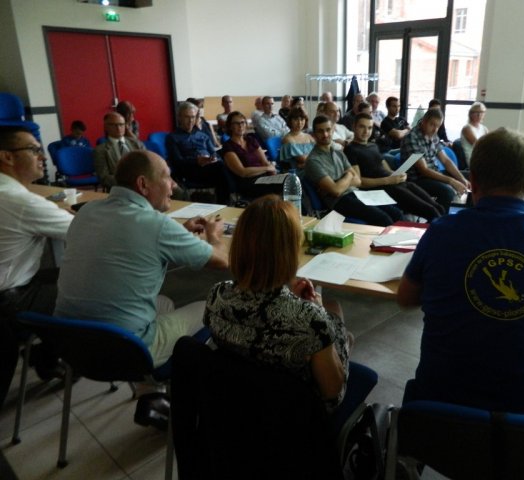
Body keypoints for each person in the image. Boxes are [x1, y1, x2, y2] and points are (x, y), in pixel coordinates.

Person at [397, 128, 524, 416]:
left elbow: (405, 298)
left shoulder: (442, 232)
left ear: (473, 181)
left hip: (439, 412)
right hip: (523, 418)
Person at [55, 150, 228, 368]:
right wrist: (214, 235)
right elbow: (222, 261)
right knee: (212, 306)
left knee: (164, 303)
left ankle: (151, 378)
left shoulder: (86, 211)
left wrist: (180, 232)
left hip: (69, 341)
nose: (174, 184)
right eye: (167, 177)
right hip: (124, 350)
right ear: (143, 184)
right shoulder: (157, 225)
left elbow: (127, 240)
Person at [204, 194, 354, 412]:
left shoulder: (216, 295)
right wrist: (322, 317)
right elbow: (333, 393)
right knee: (339, 323)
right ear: (290, 252)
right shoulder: (310, 320)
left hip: (235, 406)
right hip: (294, 420)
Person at [0, 126, 74, 409]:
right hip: (10, 300)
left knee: (68, 277)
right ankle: (59, 353)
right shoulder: (19, 201)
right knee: (91, 287)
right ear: (7, 156)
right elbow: (85, 232)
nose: (42, 156)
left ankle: (45, 354)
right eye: (33, 150)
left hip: (12, 286)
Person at [305, 115, 403, 227]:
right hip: (339, 201)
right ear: (314, 134)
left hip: (357, 193)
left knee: (397, 213)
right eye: (320, 131)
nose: (325, 134)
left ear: (332, 130)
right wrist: (348, 175)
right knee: (384, 219)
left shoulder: (338, 152)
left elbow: (358, 181)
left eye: (328, 130)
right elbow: (336, 191)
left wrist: (340, 182)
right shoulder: (313, 160)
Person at [345, 114, 444, 222]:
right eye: (362, 127)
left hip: (393, 183)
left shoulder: (373, 145)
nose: (366, 131)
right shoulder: (351, 150)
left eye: (369, 128)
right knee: (432, 212)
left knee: (439, 208)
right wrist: (389, 180)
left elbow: (384, 166)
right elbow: (360, 182)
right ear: (354, 127)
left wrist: (397, 174)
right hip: (379, 188)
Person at [400, 107, 470, 212]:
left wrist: (461, 179)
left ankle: (469, 215)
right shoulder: (411, 138)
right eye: (432, 125)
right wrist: (451, 181)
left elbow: (445, 161)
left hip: (433, 173)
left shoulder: (433, 135)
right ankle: (437, 218)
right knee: (447, 192)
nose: (435, 129)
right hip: (417, 179)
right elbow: (424, 170)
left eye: (438, 126)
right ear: (423, 121)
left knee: (469, 176)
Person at [166, 101, 229, 204]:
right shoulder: (172, 138)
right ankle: (229, 200)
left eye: (193, 117)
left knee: (224, 165)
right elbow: (177, 161)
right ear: (179, 118)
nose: (190, 120)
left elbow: (214, 153)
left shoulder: (202, 135)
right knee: (222, 169)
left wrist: (213, 159)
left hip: (211, 167)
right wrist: (197, 161)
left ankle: (225, 201)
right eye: (187, 117)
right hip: (190, 171)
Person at [221, 111, 279, 198]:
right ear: (230, 126)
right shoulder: (228, 146)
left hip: (264, 178)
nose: (240, 125)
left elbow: (265, 162)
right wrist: (267, 168)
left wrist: (274, 177)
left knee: (289, 181)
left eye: (242, 122)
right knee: (283, 187)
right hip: (248, 183)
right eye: (236, 123)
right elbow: (243, 172)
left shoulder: (251, 140)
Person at [93, 111, 146, 191]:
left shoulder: (137, 144)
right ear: (106, 127)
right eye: (113, 125)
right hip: (120, 190)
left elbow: (147, 165)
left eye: (121, 124)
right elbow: (104, 178)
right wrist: (131, 184)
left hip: (143, 187)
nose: (118, 128)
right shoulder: (100, 150)